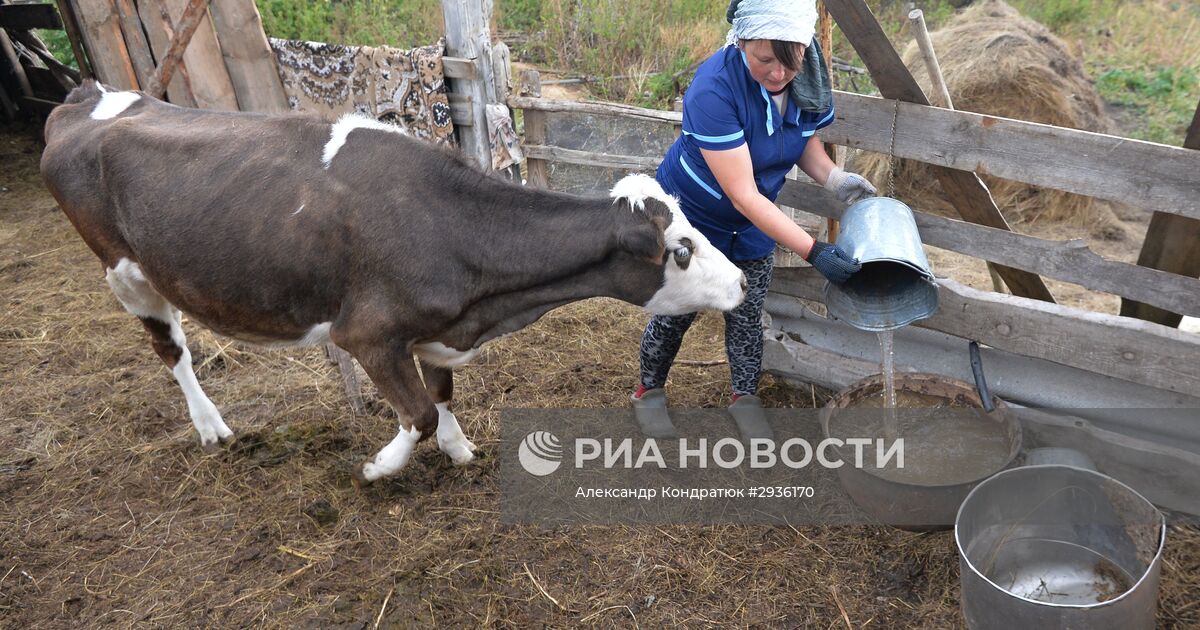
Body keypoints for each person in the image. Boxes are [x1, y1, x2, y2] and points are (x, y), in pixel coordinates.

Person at [632, 0, 876, 435]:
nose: (779, 73)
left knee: (746, 312)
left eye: (790, 60)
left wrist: (834, 178)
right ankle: (648, 392)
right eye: (764, 60)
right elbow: (742, 193)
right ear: (742, 40)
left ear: (804, 47)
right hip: (697, 216)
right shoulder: (713, 89)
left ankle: (745, 398)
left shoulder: (808, 75)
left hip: (753, 221)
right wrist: (813, 249)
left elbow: (800, 138)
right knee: (678, 310)